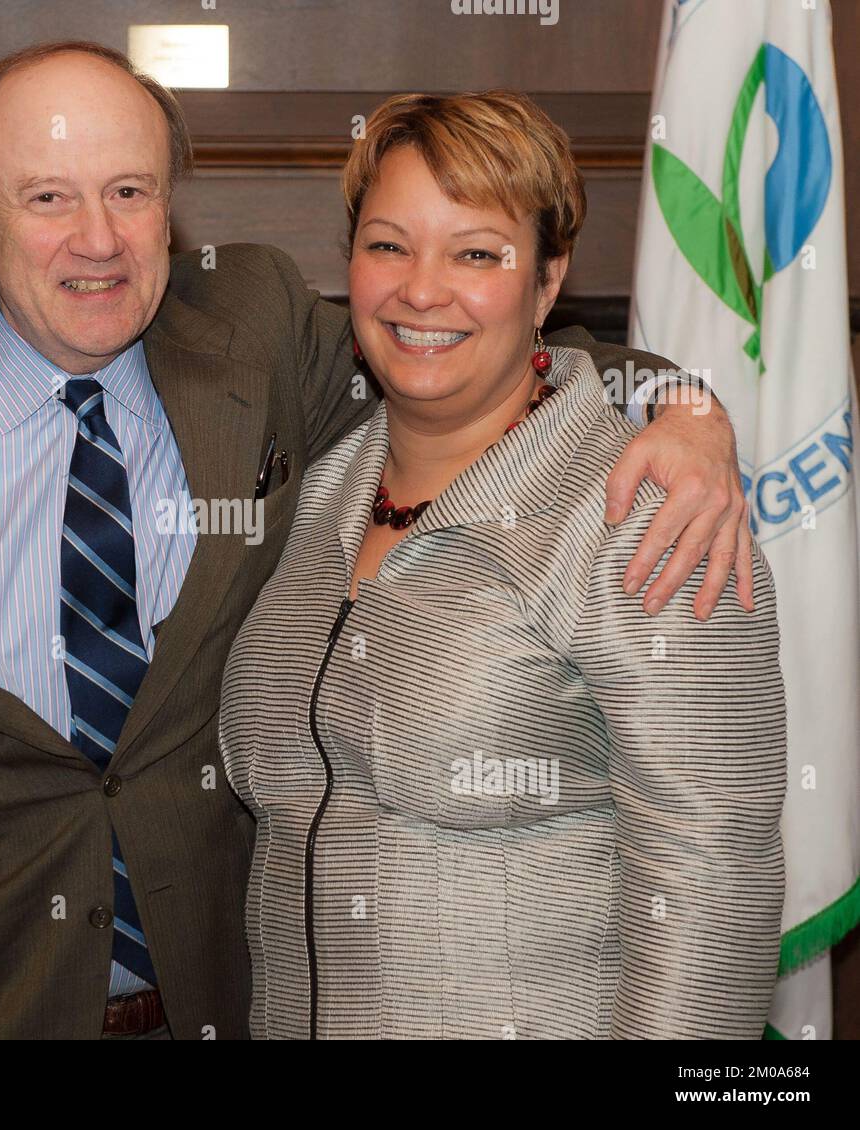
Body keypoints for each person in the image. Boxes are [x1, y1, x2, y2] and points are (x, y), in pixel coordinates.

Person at [0, 43, 754, 1040]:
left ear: (169, 205)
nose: (98, 238)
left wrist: (691, 410)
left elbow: (472, 347)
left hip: (226, 1004)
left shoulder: (254, 336)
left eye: (129, 191)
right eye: (48, 198)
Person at [219, 91, 786, 1039]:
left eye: (476, 253)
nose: (421, 289)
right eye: (389, 245)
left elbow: (712, 873)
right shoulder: (319, 497)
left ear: (548, 279)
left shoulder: (649, 511)